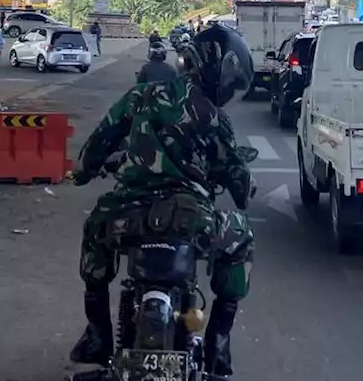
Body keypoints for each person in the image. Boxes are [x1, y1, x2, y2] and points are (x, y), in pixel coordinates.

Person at [69, 24, 256, 378]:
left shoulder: (141, 95)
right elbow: (240, 185)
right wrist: (244, 186)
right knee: (241, 237)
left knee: (95, 230)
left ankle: (97, 336)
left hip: (126, 217)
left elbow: (97, 145)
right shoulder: (217, 119)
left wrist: (82, 173)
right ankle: (218, 345)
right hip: (192, 220)